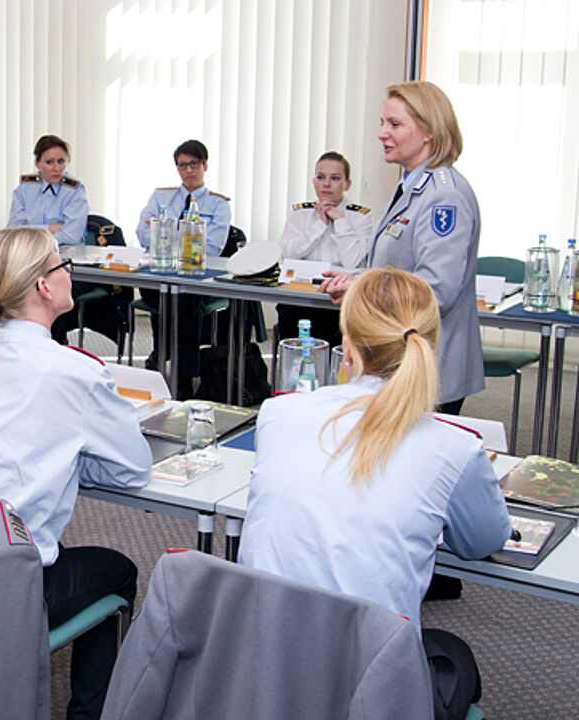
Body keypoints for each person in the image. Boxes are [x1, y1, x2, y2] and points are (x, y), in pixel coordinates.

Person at [239, 266, 510, 720]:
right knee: (456, 658)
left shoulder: (277, 413)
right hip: (370, 683)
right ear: (429, 345)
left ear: (346, 348)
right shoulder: (454, 447)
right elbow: (483, 540)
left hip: (261, 670)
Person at [0, 227, 151, 720]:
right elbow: (133, 470)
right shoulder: (75, 371)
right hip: (5, 586)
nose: (70, 272)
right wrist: (72, 457)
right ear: (45, 287)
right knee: (120, 572)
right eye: (62, 264)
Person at [322, 81, 482, 415]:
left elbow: (436, 291)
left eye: (394, 124)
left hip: (428, 367)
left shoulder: (444, 196)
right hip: (399, 360)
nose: (382, 133)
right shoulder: (412, 184)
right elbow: (396, 269)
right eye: (383, 123)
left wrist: (365, 292)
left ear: (429, 131)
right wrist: (357, 285)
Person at [133, 140, 232, 393]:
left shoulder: (218, 204)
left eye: (194, 164)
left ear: (205, 165)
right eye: (182, 165)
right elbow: (142, 236)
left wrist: (164, 231)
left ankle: (182, 374)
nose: (188, 170)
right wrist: (187, 235)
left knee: (185, 300)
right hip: (159, 275)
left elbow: (212, 248)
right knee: (167, 295)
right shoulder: (161, 196)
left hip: (198, 280)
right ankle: (167, 357)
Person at [275, 151, 373, 344]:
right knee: (293, 342)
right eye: (321, 177)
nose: (326, 184)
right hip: (301, 297)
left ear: (347, 184)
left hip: (338, 300)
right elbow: (287, 254)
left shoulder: (360, 216)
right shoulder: (301, 214)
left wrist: (340, 220)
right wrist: (319, 225)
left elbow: (352, 261)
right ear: (314, 182)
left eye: (335, 178)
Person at [8, 134, 88, 247]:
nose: (57, 168)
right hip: (29, 252)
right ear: (37, 163)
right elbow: (13, 230)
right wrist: (49, 228)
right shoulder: (25, 188)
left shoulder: (74, 190)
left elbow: (71, 236)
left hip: (64, 252)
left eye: (61, 161)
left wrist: (31, 231)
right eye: (49, 162)